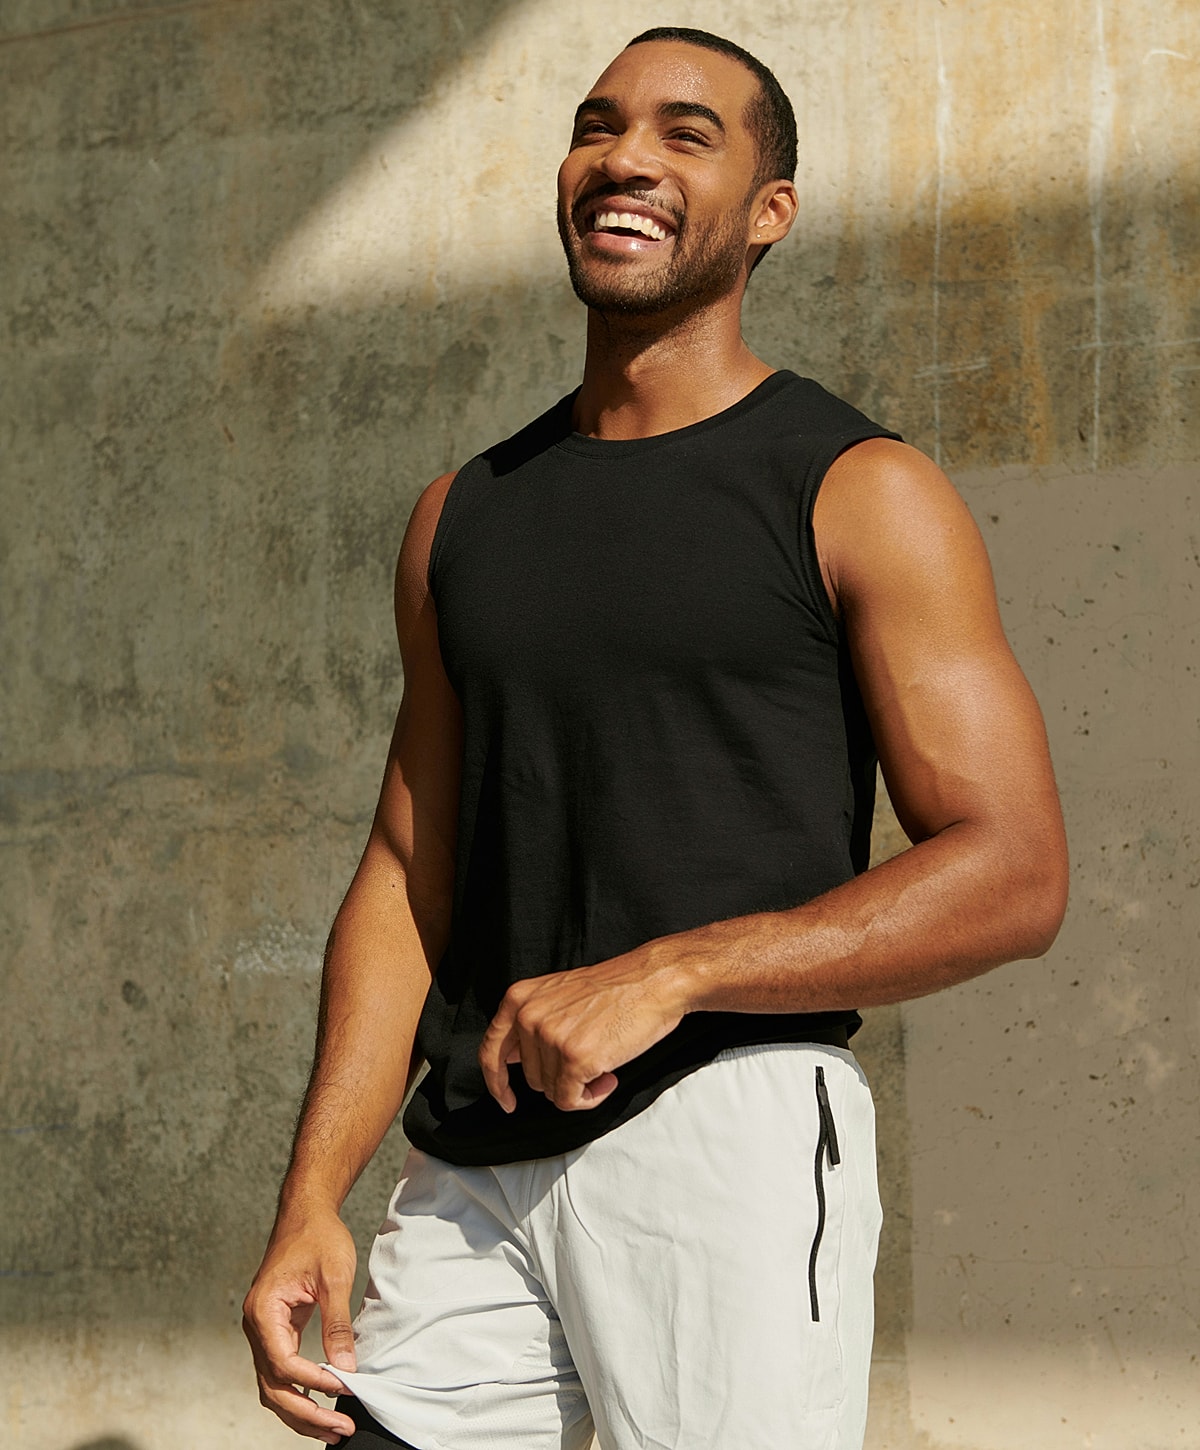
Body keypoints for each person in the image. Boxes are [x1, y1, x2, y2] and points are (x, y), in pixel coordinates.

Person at [242, 27, 1068, 1450]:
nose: (626, 155)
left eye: (688, 133)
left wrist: (671, 972)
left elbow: (1015, 871)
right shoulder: (463, 515)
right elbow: (407, 867)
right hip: (475, 1155)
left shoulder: (859, 489)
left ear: (770, 212)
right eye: (599, 124)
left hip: (726, 1135)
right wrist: (314, 1185)